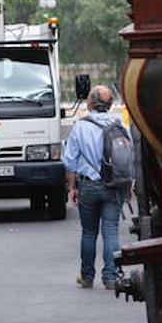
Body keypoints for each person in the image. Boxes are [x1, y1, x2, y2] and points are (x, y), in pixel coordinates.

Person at [63, 85, 129, 290]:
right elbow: (128, 157)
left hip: (89, 186)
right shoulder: (119, 124)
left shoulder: (80, 127)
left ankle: (87, 276)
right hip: (114, 185)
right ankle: (110, 278)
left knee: (89, 232)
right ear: (109, 105)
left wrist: (73, 188)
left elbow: (70, 162)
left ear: (90, 103)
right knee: (111, 231)